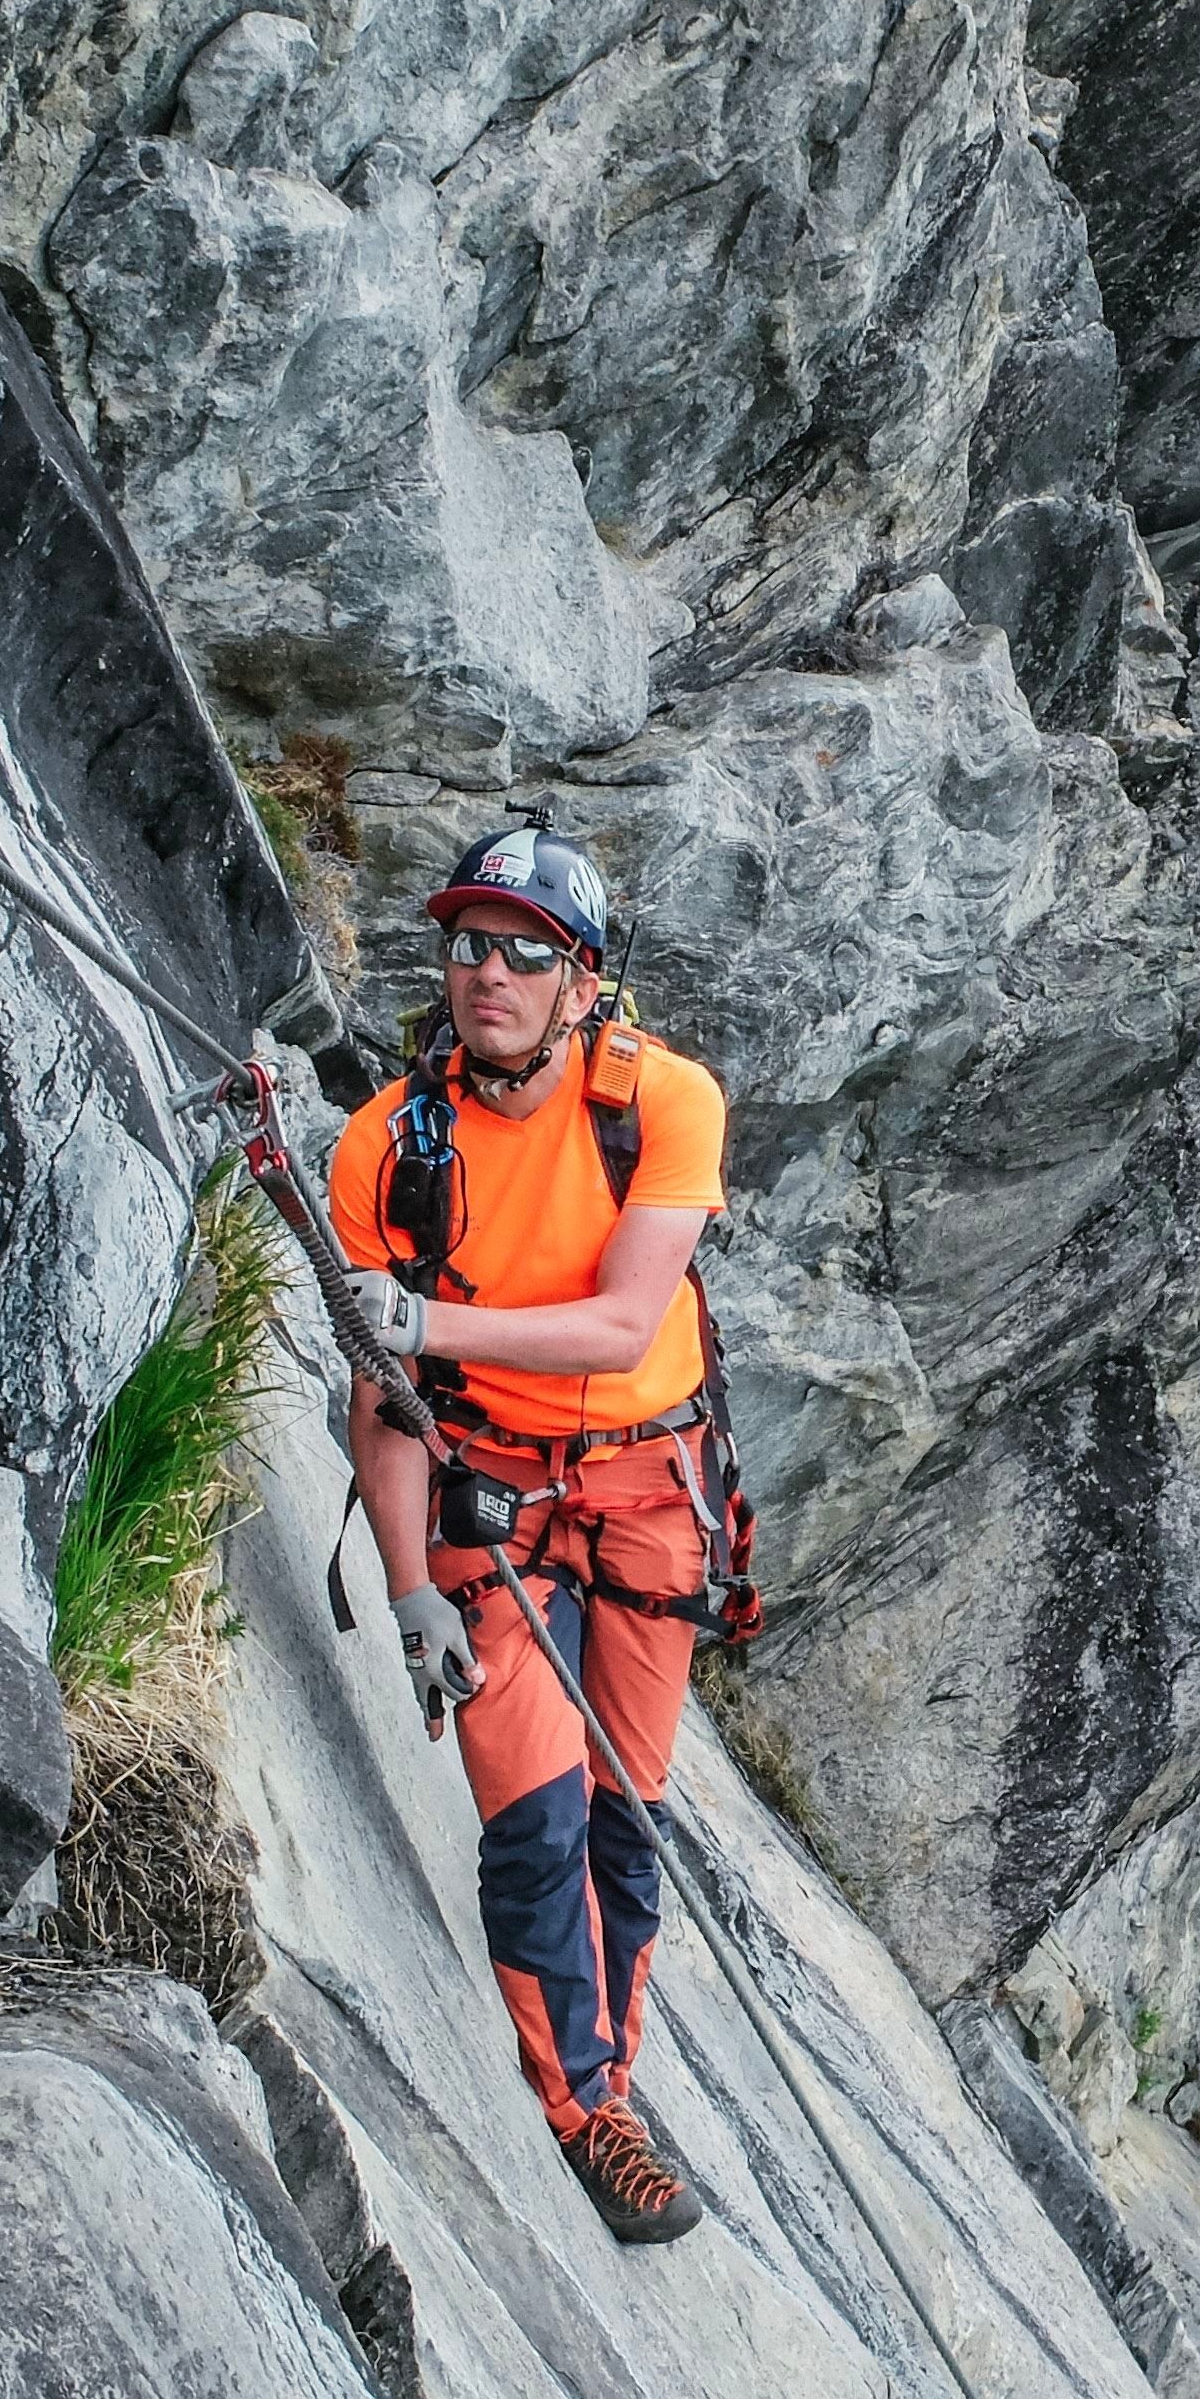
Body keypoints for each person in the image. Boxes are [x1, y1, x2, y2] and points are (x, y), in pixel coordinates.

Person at [326, 824, 729, 2244]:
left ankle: (606, 2062)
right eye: (463, 942)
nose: (482, 970)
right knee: (537, 1819)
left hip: (642, 1490)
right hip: (487, 1492)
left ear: (582, 978)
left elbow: (624, 1322)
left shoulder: (663, 1103)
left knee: (627, 1820)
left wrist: (429, 1322)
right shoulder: (387, 1150)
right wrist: (403, 1591)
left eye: (522, 948)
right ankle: (586, 2112)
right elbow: (385, 1400)